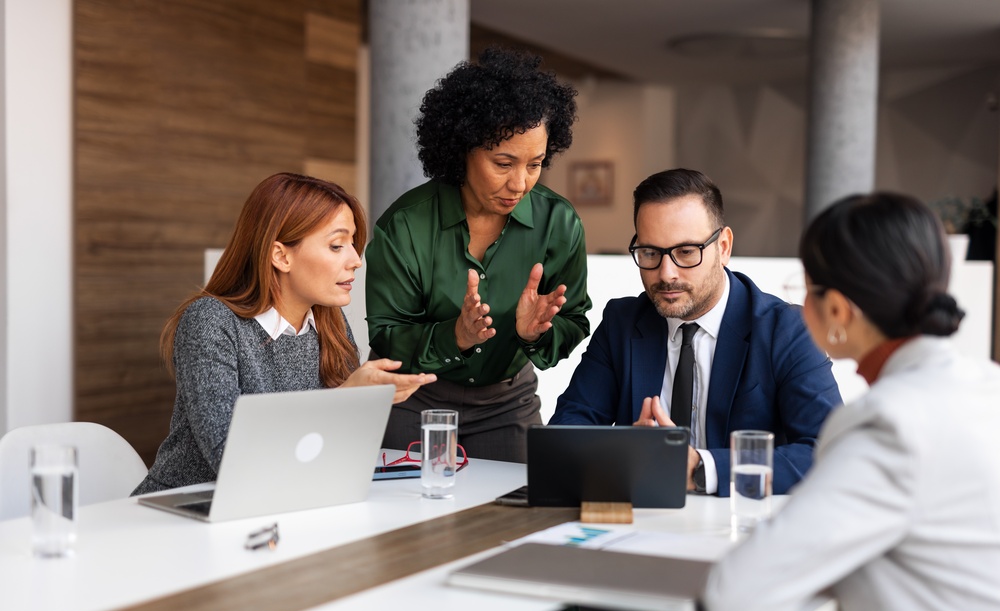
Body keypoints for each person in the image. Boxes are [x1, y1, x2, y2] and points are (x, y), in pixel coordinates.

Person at [702, 193, 1000, 611]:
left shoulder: (888, 426)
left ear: (838, 310)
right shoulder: (987, 386)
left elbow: (734, 593)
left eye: (807, 291)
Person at [132, 173, 435, 494]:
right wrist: (347, 397)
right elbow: (230, 460)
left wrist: (366, 403)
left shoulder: (330, 322)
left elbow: (333, 451)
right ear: (281, 255)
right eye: (336, 245)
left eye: (352, 244)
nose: (356, 261)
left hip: (285, 504)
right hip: (184, 508)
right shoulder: (211, 322)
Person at [550, 168, 841, 495]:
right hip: (645, 522)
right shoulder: (623, 323)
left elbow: (829, 449)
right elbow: (565, 432)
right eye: (650, 253)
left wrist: (702, 469)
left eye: (686, 252)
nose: (666, 273)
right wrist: (623, 449)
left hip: (743, 527)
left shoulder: (787, 330)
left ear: (724, 247)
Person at [365, 47, 591, 463]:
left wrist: (535, 334)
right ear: (461, 149)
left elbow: (573, 320)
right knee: (405, 518)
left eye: (535, 164)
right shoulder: (405, 224)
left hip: (507, 402)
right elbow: (387, 333)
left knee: (519, 517)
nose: (520, 182)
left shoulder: (558, 224)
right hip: (413, 397)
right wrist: (456, 337)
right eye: (503, 163)